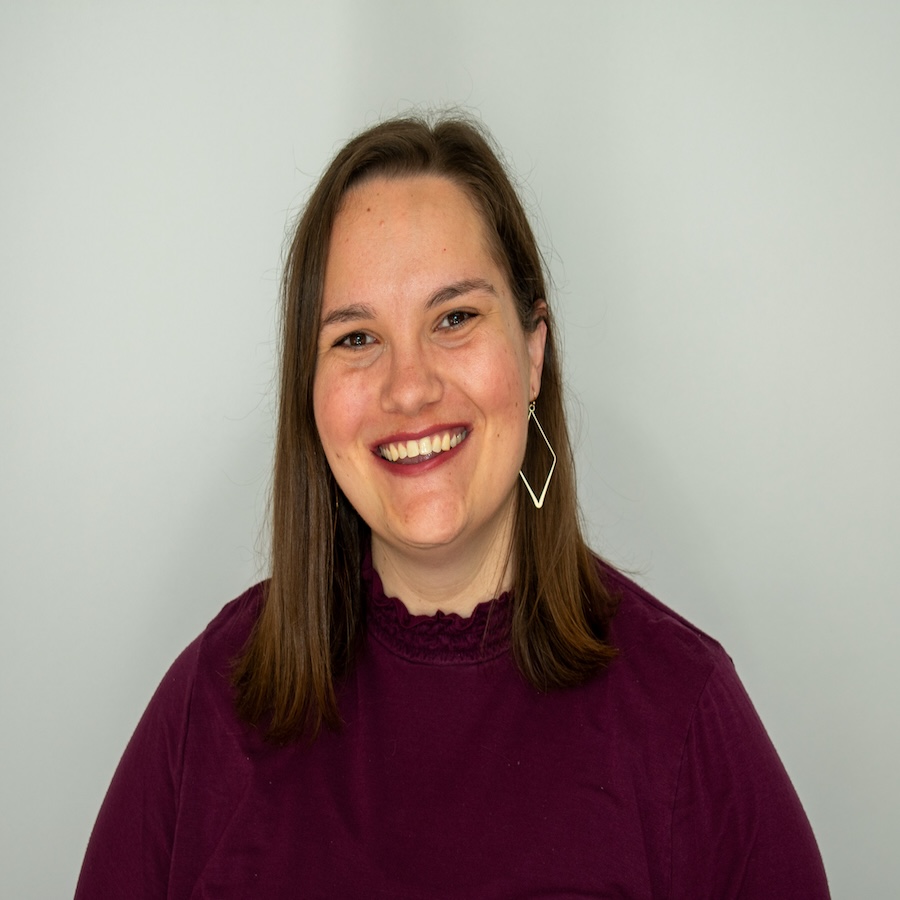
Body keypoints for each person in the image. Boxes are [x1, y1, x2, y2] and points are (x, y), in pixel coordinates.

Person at [76, 113, 830, 898]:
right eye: (356, 338)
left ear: (534, 352)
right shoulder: (211, 702)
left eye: (455, 318)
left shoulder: (685, 716)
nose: (409, 388)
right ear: (311, 391)